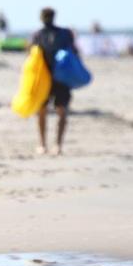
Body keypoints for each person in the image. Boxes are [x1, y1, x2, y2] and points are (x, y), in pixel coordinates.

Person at [32, 8, 78, 155]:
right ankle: (54, 145)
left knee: (45, 111)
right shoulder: (65, 33)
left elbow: (32, 57)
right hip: (59, 77)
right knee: (59, 110)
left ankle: (45, 144)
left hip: (47, 78)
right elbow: (74, 53)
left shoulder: (38, 35)